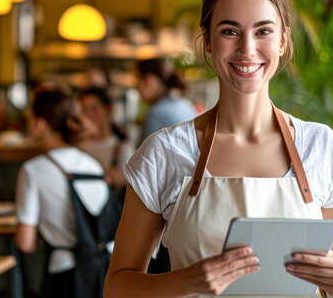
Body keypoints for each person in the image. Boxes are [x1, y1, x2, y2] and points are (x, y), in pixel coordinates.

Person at [104, 0, 333, 298]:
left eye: (263, 31)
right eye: (230, 31)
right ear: (208, 41)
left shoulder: (322, 147)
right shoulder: (165, 152)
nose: (247, 49)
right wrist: (188, 281)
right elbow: (116, 287)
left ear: (284, 40)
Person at [15, 89, 121, 298]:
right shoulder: (93, 164)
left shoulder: (33, 169)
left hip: (65, 274)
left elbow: (25, 243)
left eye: (29, 119)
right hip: (106, 271)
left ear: (40, 124)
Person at [78, 87, 134, 190]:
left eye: (94, 109)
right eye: (85, 110)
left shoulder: (122, 147)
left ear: (108, 109)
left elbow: (125, 182)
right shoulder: (79, 146)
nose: (89, 115)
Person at [135, 58, 198, 144]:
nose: (136, 87)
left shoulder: (156, 114)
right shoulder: (187, 104)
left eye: (137, 80)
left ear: (149, 81)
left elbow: (142, 156)